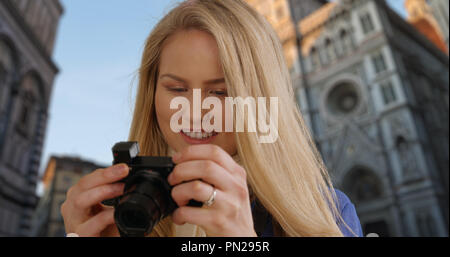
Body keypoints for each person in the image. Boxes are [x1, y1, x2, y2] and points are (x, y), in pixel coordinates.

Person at [61, 0, 363, 237]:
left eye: (220, 93)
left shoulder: (329, 214)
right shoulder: (120, 213)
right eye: (177, 89)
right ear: (152, 95)